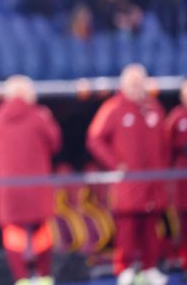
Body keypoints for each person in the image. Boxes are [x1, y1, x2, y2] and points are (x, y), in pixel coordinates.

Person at [87, 64, 169, 285]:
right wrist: (115, 164)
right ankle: (124, 270)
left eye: (140, 81)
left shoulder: (154, 107)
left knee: (152, 227)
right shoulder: (113, 108)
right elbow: (94, 138)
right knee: (127, 229)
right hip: (128, 184)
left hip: (153, 182)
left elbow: (164, 142)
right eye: (132, 82)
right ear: (123, 84)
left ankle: (150, 268)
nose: (136, 86)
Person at [0, 75, 61, 285]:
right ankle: (44, 277)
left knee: (12, 232)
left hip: (8, 189)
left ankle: (22, 279)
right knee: (42, 229)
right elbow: (55, 144)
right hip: (37, 187)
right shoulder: (40, 116)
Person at [165, 80, 187, 272]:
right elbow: (165, 146)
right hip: (182, 178)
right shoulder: (176, 117)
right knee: (182, 221)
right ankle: (183, 261)